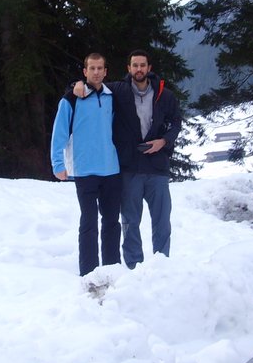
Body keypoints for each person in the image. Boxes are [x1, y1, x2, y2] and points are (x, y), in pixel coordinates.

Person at [74, 49, 182, 269]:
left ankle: (162, 267)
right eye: (135, 65)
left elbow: (176, 122)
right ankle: (134, 267)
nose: (139, 69)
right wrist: (76, 85)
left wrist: (164, 141)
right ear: (129, 68)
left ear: (149, 68)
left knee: (162, 221)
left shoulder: (165, 95)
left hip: (157, 167)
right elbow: (94, 84)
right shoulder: (118, 91)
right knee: (130, 222)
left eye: (142, 65)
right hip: (130, 167)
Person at [51, 53, 122, 276]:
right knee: (89, 223)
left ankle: (112, 271)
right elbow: (59, 133)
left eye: (100, 68)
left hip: (111, 169)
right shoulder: (71, 99)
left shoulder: (113, 97)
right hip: (84, 170)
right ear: (85, 71)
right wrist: (57, 164)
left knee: (112, 222)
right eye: (92, 68)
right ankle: (89, 274)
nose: (96, 72)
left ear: (106, 71)